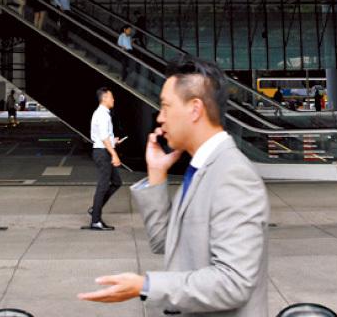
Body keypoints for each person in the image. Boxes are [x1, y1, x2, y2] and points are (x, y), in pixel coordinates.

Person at [79, 58, 269, 315]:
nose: (160, 117)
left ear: (195, 109)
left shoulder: (233, 175)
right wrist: (157, 174)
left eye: (166, 106)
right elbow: (165, 242)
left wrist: (146, 286)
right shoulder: (201, 168)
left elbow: (233, 282)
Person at [87, 87, 124, 231]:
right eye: (111, 97)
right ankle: (95, 221)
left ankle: (95, 209)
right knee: (103, 186)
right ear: (104, 98)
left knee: (117, 182)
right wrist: (114, 154)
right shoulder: (102, 115)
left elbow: (104, 137)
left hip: (103, 151)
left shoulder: (102, 114)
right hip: (103, 153)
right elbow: (103, 138)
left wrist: (113, 141)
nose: (113, 99)